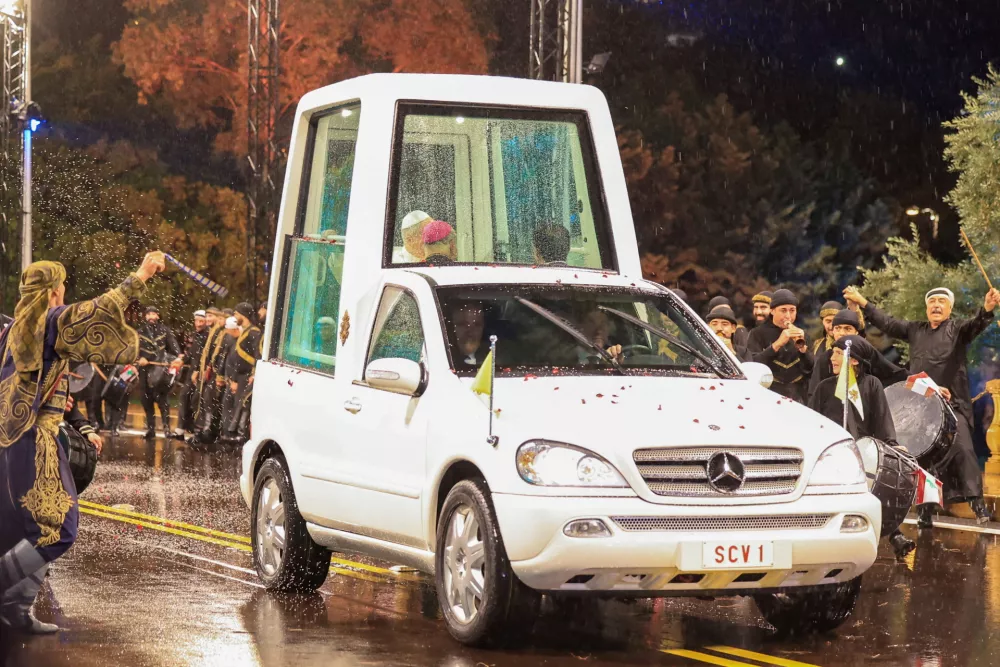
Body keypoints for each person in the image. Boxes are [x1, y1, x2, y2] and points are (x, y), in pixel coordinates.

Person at [0, 252, 163, 634]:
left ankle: (15, 609)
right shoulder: (50, 319)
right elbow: (101, 308)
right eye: (62, 286)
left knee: (18, 528)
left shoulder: (11, 329)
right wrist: (141, 274)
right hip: (34, 443)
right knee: (57, 529)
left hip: (10, 440)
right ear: (54, 291)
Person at [844, 284, 1000, 525]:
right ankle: (925, 511)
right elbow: (887, 322)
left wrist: (987, 309)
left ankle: (978, 506)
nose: (936, 305)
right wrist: (863, 302)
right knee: (922, 458)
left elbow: (975, 325)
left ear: (949, 307)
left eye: (941, 302)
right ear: (927, 308)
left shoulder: (958, 329)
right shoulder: (915, 330)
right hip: (921, 408)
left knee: (964, 449)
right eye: (932, 302)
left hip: (953, 405)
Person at [808, 335, 915, 559]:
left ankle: (893, 533)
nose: (832, 358)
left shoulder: (871, 384)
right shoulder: (824, 388)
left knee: (876, 489)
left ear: (854, 360)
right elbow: (813, 424)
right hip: (831, 455)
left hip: (863, 451)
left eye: (838, 353)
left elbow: (882, 420)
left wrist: (892, 446)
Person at [808, 309, 904, 401]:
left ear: (856, 332)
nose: (842, 333)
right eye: (837, 328)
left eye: (847, 329)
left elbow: (893, 374)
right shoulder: (825, 358)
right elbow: (814, 394)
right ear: (833, 331)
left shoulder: (866, 353)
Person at [746, 289, 813, 403]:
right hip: (768, 393)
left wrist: (803, 350)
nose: (788, 316)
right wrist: (777, 344)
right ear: (772, 311)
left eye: (792, 310)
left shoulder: (802, 334)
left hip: (798, 397)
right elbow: (753, 364)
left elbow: (811, 369)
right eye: (783, 310)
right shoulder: (757, 333)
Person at [220, 303, 262, 444]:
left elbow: (257, 354)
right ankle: (233, 432)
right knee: (238, 403)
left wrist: (254, 373)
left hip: (247, 375)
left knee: (243, 404)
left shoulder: (254, 332)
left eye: (237, 314)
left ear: (243, 315)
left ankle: (241, 435)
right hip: (239, 375)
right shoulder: (244, 331)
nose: (235, 316)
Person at [136, 306, 181, 439]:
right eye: (148, 314)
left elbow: (174, 348)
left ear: (158, 316)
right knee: (146, 400)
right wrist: (140, 358)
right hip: (145, 370)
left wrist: (177, 359)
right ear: (145, 317)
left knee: (163, 400)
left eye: (153, 314)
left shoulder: (165, 330)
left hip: (160, 370)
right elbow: (134, 351)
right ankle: (151, 429)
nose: (151, 316)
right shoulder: (140, 332)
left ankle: (166, 429)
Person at [191, 308, 228, 444]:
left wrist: (212, 368)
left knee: (209, 400)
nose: (210, 320)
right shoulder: (213, 332)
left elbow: (220, 355)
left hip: (217, 373)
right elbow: (206, 353)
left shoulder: (223, 333)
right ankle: (199, 431)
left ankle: (208, 431)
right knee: (198, 399)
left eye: (214, 317)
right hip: (208, 371)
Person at [172, 310, 209, 440]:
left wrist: (198, 370)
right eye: (196, 321)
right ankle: (180, 430)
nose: (198, 324)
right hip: (191, 373)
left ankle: (196, 432)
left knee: (196, 402)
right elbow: (191, 353)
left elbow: (203, 356)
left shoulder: (207, 336)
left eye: (201, 321)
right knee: (183, 397)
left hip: (201, 373)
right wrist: (181, 361)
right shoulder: (196, 335)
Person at [451, 302, 486, 368]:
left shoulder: (496, 359)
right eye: (462, 324)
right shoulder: (439, 360)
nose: (470, 331)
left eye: (477, 325)